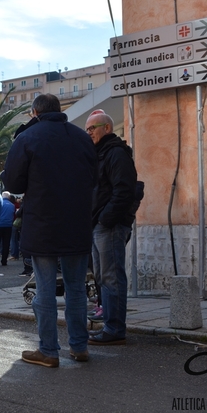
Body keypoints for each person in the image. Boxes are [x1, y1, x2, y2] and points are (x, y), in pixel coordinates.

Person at [2, 93, 97, 367]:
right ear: (59, 111)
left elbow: (14, 183)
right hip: (77, 223)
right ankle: (79, 346)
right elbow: (94, 178)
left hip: (43, 223)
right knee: (76, 288)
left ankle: (48, 350)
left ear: (35, 112)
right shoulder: (81, 137)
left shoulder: (28, 138)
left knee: (44, 288)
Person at [85, 111, 138, 346]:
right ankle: (110, 325)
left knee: (111, 277)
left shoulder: (116, 153)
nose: (90, 133)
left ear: (107, 128)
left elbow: (124, 190)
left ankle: (115, 328)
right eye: (87, 130)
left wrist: (106, 219)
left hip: (110, 225)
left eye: (92, 128)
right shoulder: (101, 154)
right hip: (100, 224)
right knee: (103, 277)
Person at [0, 192, 16, 266]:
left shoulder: (0, 204)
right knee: (6, 243)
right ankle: (4, 261)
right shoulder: (12, 205)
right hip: (8, 226)